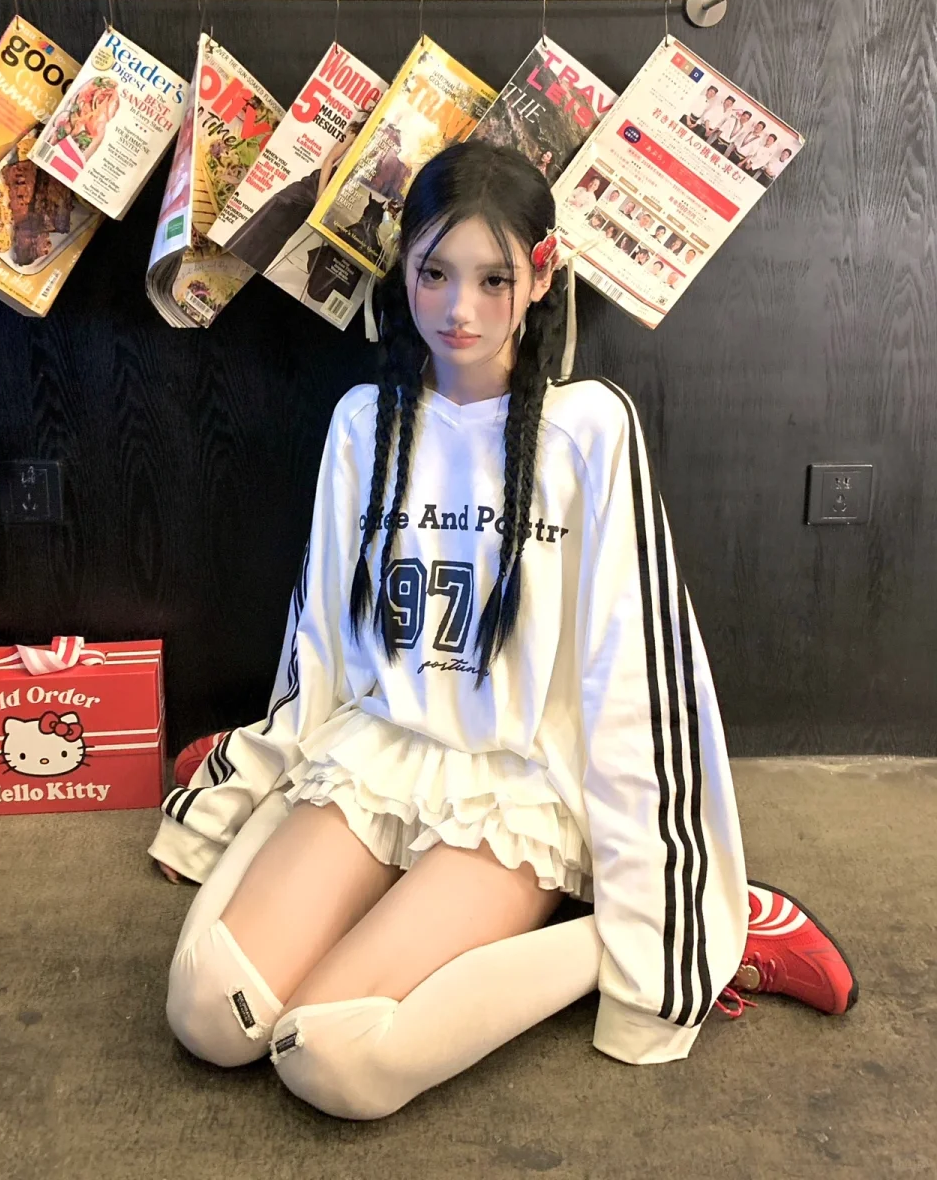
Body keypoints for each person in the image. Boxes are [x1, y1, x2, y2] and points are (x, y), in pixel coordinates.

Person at [150, 142, 858, 1122]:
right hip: (380, 757)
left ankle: (685, 933)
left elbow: (634, 674)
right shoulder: (363, 423)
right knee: (208, 1015)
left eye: (494, 279)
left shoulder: (590, 429)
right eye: (434, 273)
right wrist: (241, 788)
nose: (461, 309)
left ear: (542, 274)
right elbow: (320, 640)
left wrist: (660, 928)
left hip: (517, 789)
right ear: (402, 268)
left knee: (330, 1060)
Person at [229, 124, 362, 274]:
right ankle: (229, 260)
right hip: (312, 189)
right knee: (265, 221)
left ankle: (245, 273)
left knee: (276, 240)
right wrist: (320, 197)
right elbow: (330, 159)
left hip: (332, 199)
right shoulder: (357, 131)